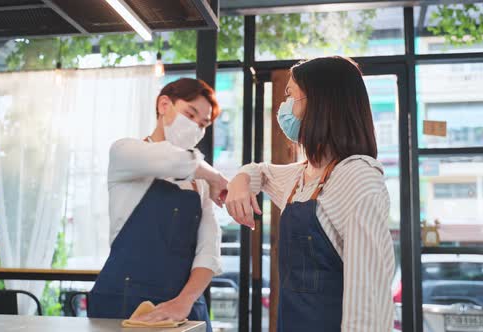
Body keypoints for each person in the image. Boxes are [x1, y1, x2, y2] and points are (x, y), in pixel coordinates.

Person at [225, 56, 395, 331]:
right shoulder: (302, 175)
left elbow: (368, 297)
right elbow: (260, 171)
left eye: (290, 94)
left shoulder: (357, 177)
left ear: (319, 103)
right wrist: (241, 181)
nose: (284, 107)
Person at [88, 78, 227, 332]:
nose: (195, 127)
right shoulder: (125, 153)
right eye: (190, 114)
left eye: (203, 124)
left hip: (184, 308)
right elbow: (171, 160)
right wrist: (217, 177)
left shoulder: (201, 182)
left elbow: (209, 250)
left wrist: (183, 302)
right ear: (164, 104)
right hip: (124, 301)